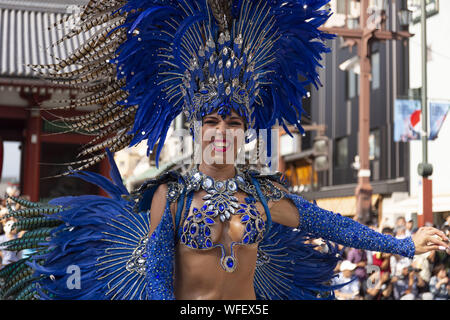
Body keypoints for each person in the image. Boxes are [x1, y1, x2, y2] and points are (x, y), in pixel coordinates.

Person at [0, 0, 448, 300]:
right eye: (211, 121)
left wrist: (404, 245)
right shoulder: (169, 197)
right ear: (196, 127)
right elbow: (158, 277)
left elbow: (331, 224)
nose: (221, 131)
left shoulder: (262, 197)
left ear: (245, 130)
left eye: (233, 122)